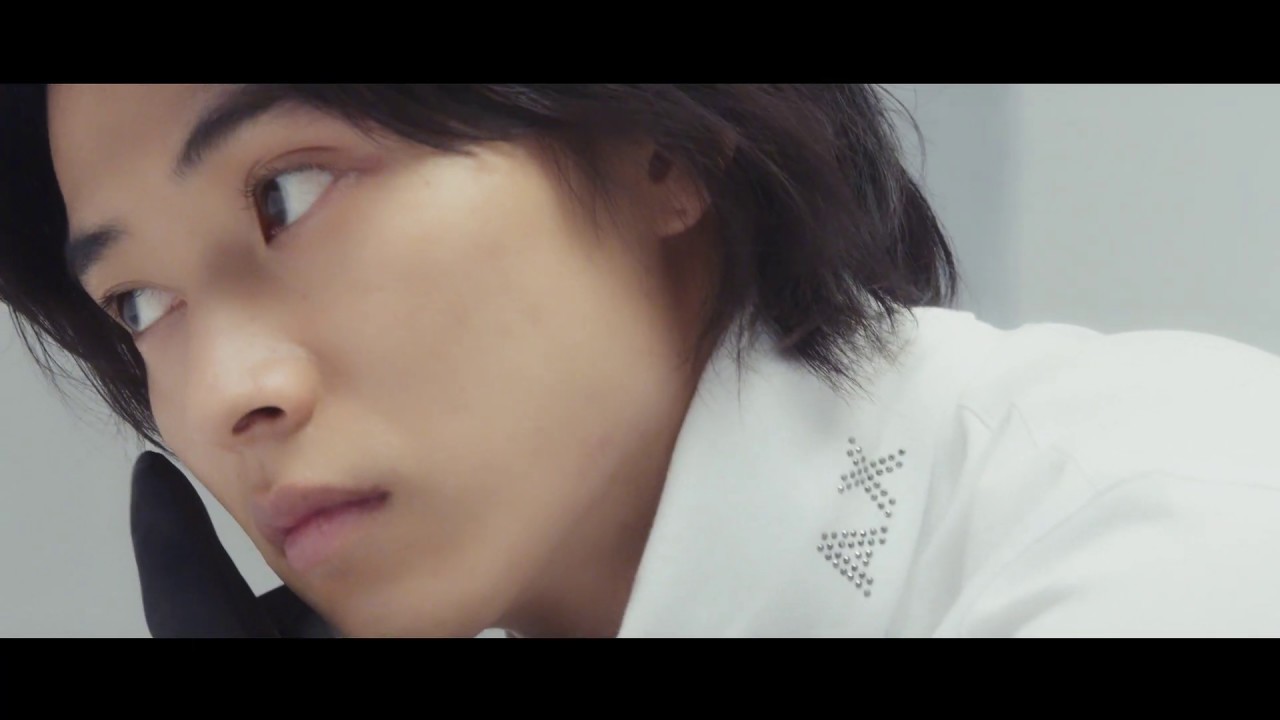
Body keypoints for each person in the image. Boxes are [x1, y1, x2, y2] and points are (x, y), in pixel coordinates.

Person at [2, 84, 1279, 638]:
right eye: (139, 300)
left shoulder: (1167, 528)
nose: (225, 394)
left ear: (654, 143)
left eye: (288, 194)